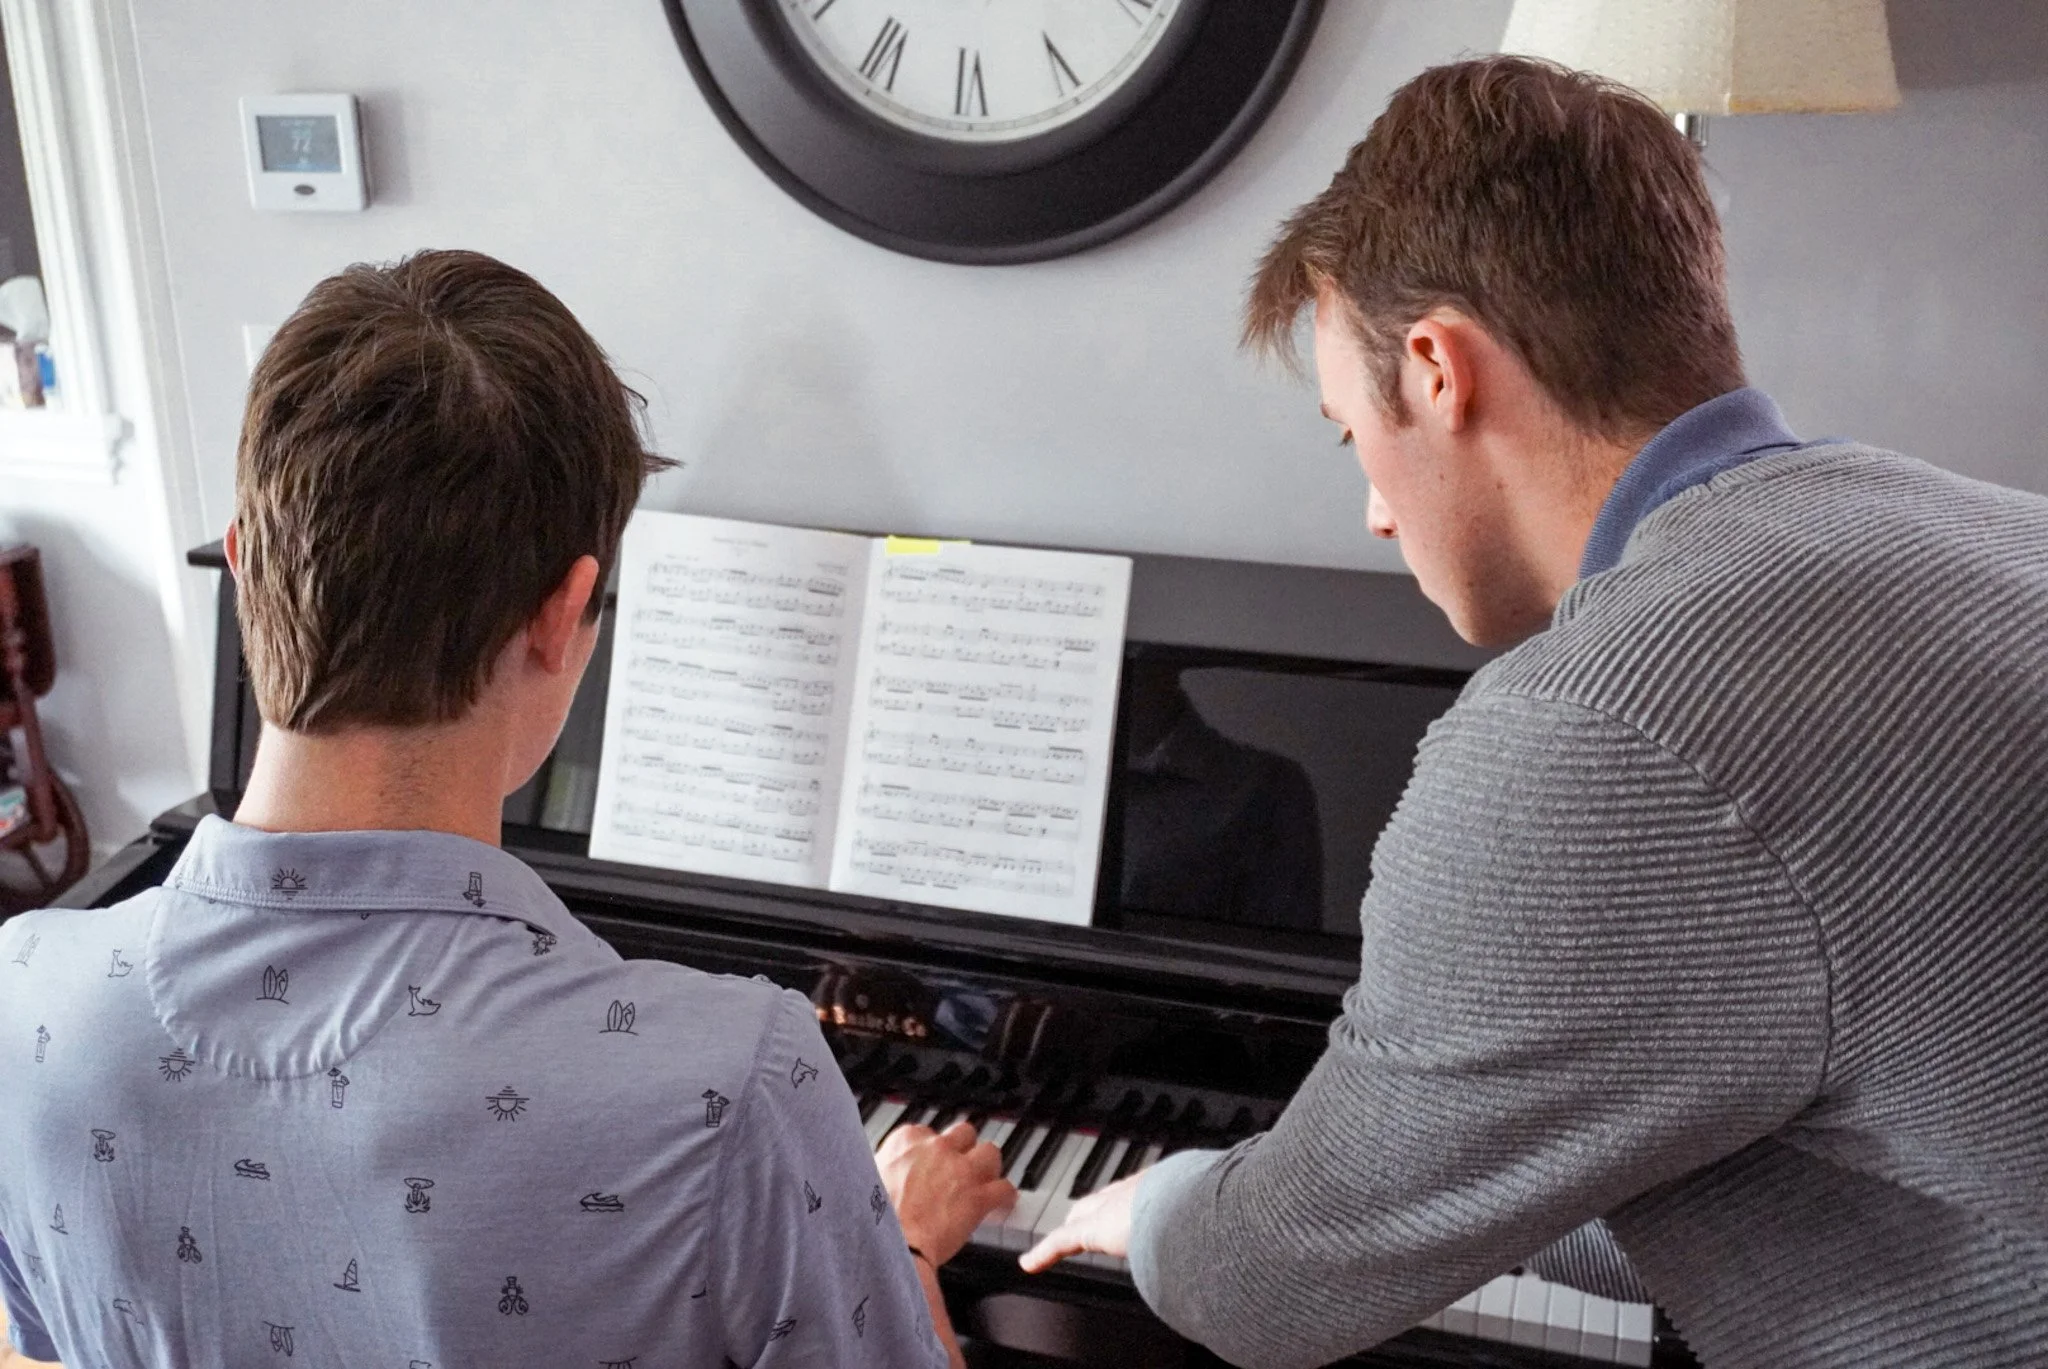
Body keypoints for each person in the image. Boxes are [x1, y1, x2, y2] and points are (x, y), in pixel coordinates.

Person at [1023, 55, 2048, 1369]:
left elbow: (1265, 1293)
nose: (1377, 511)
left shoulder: (1594, 728)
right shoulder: (1996, 525)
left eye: (1353, 436)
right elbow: (1722, 1135)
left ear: (1442, 369)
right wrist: (1444, 1197)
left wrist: (1160, 1203)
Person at [0, 250, 1013, 1369]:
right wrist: (908, 1247)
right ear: (561, 613)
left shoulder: (22, 998)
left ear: (242, 567)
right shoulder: (734, 1086)